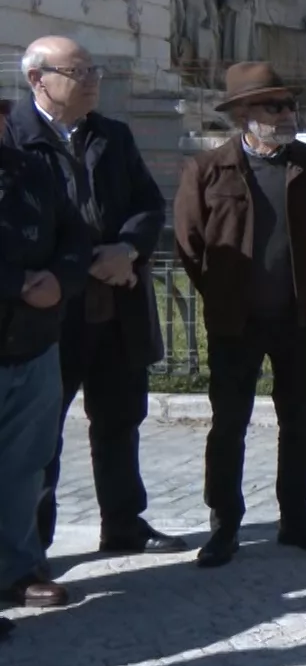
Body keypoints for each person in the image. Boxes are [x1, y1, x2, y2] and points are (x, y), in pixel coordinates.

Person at [11, 37, 187, 555]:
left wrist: (129, 249)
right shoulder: (15, 140)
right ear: (37, 79)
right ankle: (31, 545)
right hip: (46, 312)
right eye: (78, 71)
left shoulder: (112, 135)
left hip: (115, 305)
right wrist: (90, 261)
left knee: (120, 418)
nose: (92, 80)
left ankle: (124, 524)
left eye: (94, 71)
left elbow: (148, 204)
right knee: (39, 435)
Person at [172, 62, 306, 567]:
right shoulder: (206, 169)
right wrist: (223, 293)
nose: (288, 113)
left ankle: (296, 518)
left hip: (299, 317)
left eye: (290, 104)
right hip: (234, 322)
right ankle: (224, 525)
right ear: (243, 114)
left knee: (299, 423)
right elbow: (189, 244)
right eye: (275, 105)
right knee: (228, 426)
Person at [0, 97, 90, 611]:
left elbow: (76, 233)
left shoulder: (32, 171)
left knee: (26, 464)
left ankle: (18, 568)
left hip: (35, 342)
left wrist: (61, 278)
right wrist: (16, 284)